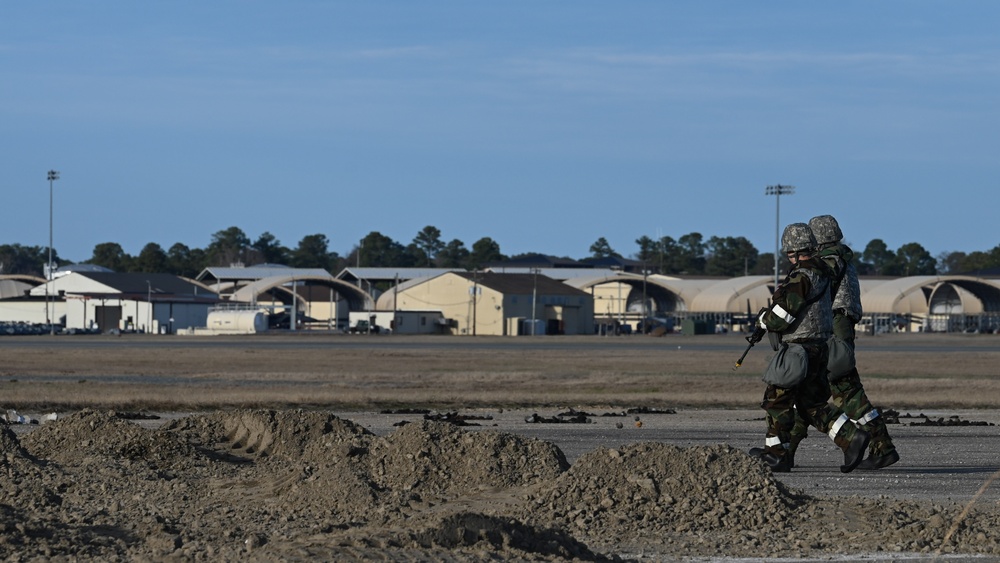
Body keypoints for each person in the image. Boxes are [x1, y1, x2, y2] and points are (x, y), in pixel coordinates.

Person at [750, 223, 870, 473]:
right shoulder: (824, 272)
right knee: (811, 404)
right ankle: (850, 436)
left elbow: (782, 316)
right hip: (819, 348)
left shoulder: (802, 275)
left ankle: (776, 454)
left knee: (776, 401)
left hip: (798, 350)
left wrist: (763, 320)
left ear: (793, 252)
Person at [804, 214, 900, 470]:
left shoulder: (829, 261)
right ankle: (882, 446)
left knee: (834, 389)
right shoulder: (844, 259)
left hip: (833, 327)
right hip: (842, 326)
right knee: (844, 389)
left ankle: (782, 450)